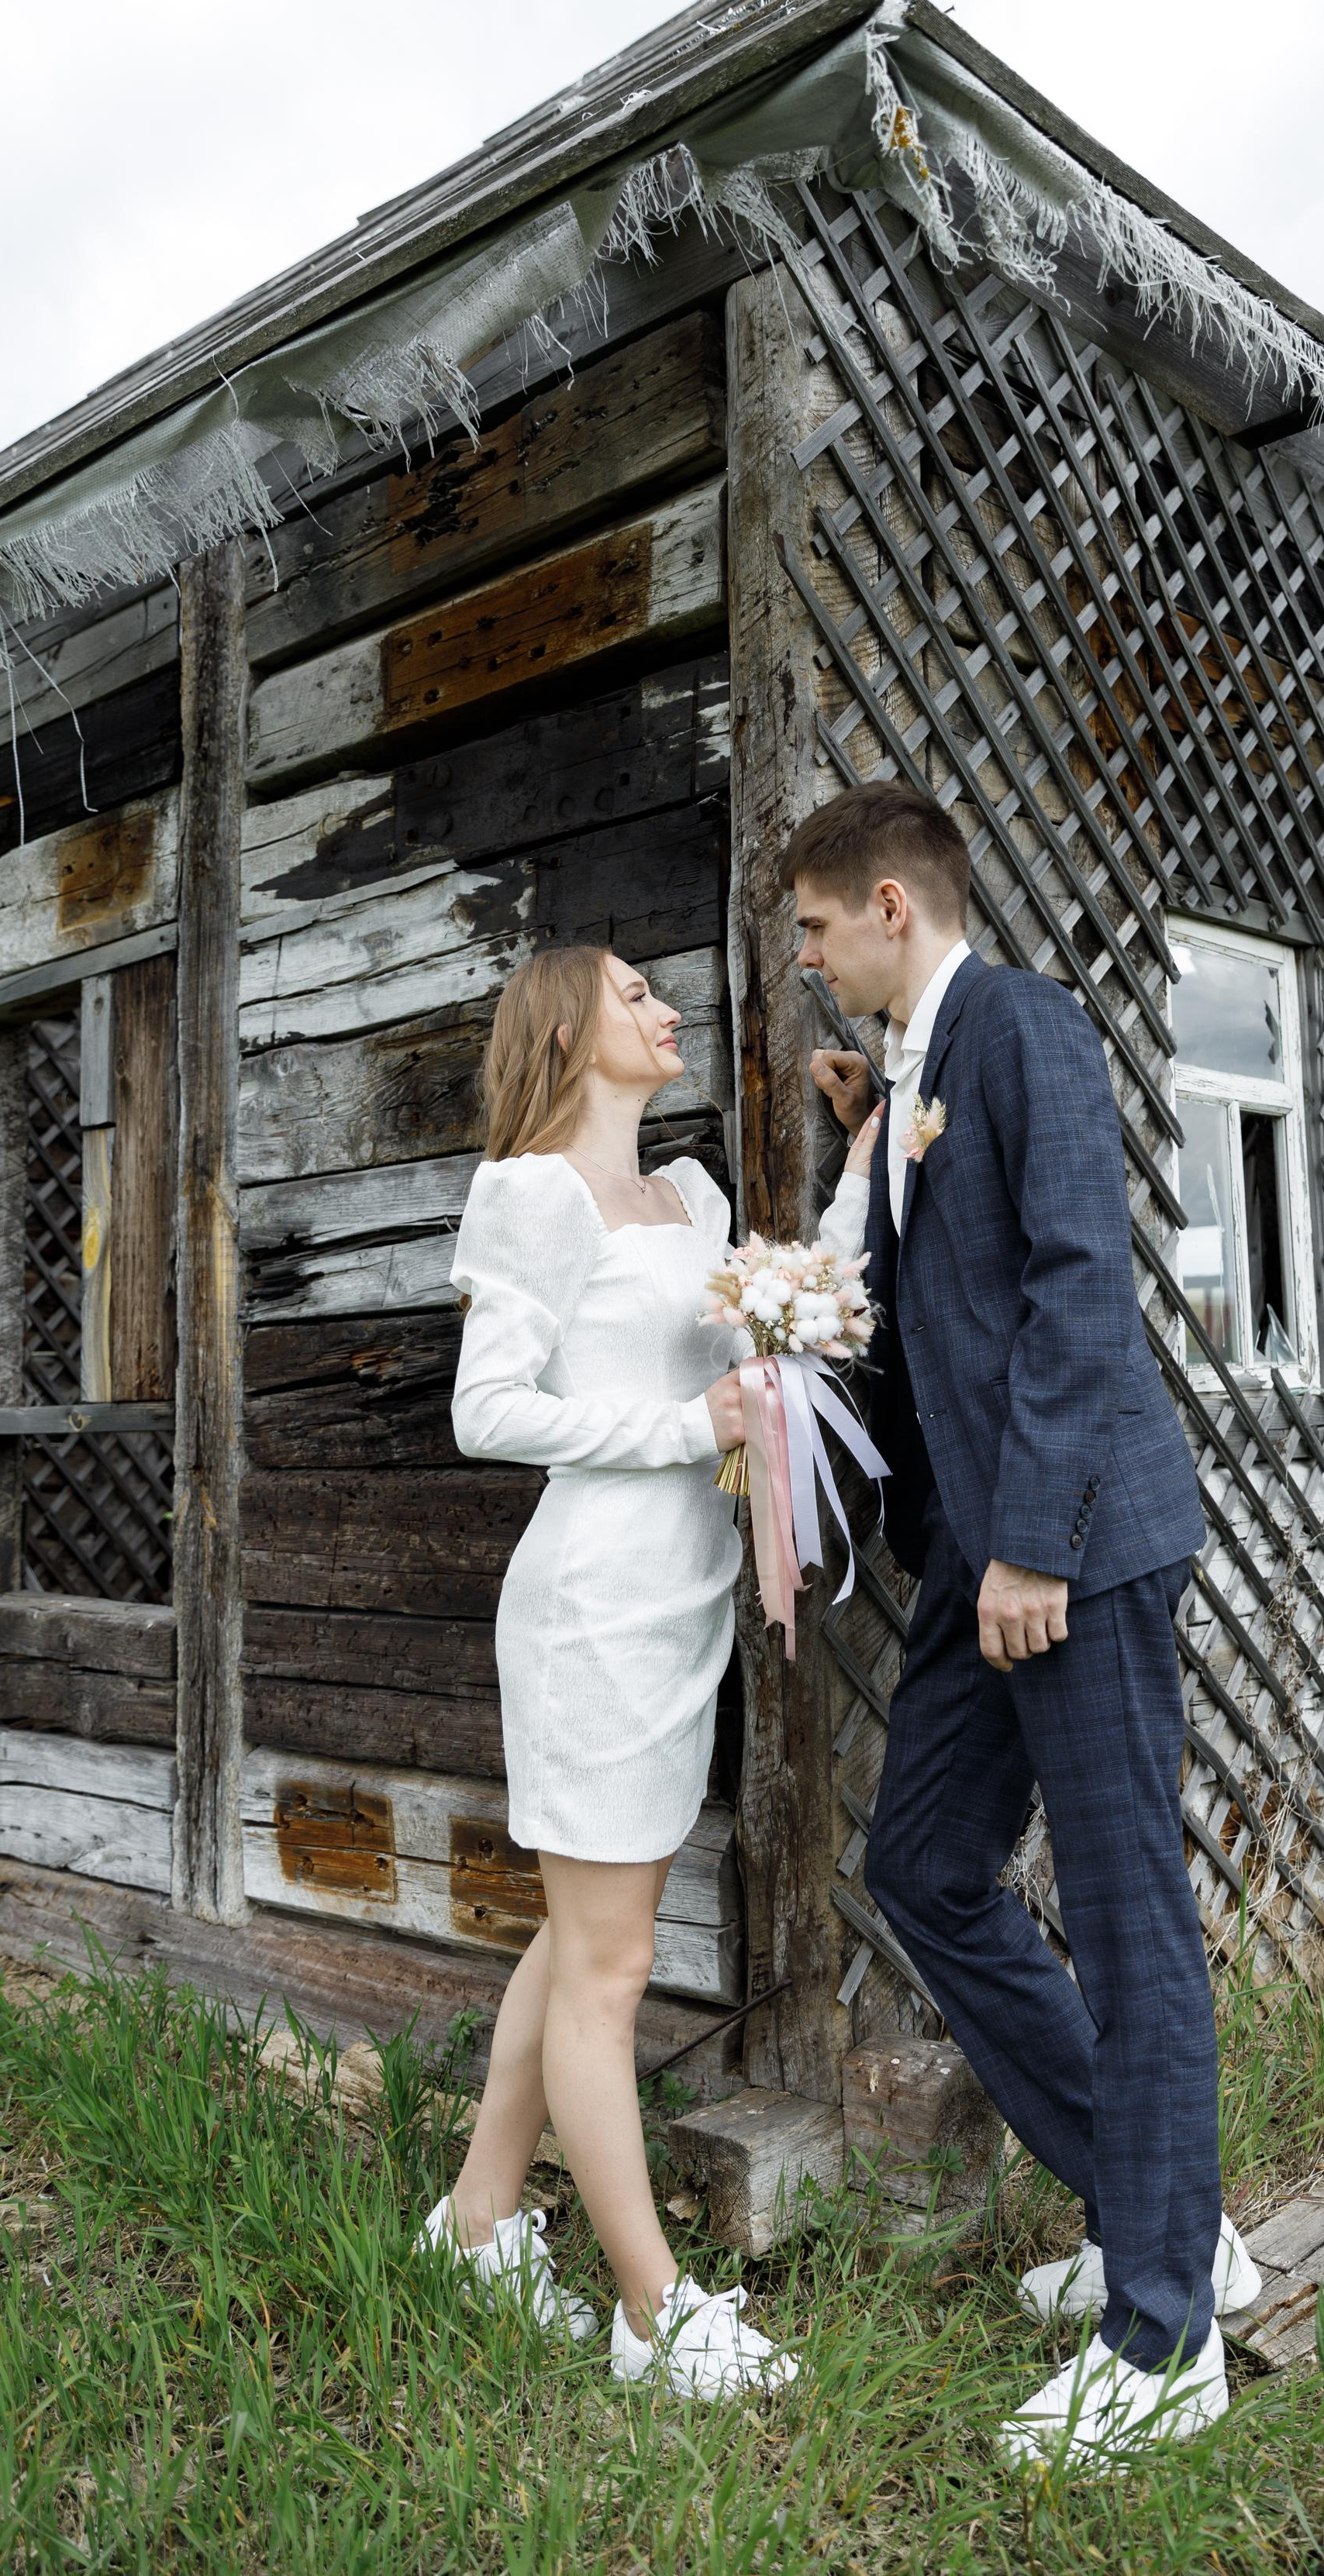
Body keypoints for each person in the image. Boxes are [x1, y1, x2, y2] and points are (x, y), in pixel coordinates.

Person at [789, 782, 1260, 2467]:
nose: (811, 956)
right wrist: (869, 1138)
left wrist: (1041, 1544)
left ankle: (1162, 2341)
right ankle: (1168, 2212)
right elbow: (936, 1286)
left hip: (1071, 1550)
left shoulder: (1031, 1028)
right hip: (976, 1555)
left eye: (820, 927)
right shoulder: (914, 1071)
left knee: (1130, 1919)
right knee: (920, 1865)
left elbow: (1078, 1289)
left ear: (896, 904)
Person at [418, 943, 874, 2399]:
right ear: (564, 1025)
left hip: (683, 1606)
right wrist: (696, 1428)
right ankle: (652, 2312)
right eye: (632, 995)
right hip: (592, 1611)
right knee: (610, 1964)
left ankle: (479, 2225)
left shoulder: (691, 1198)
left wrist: (862, 1175)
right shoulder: (530, 1196)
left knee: (576, 1935)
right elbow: (486, 1412)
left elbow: (756, 1344)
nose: (664, 1009)